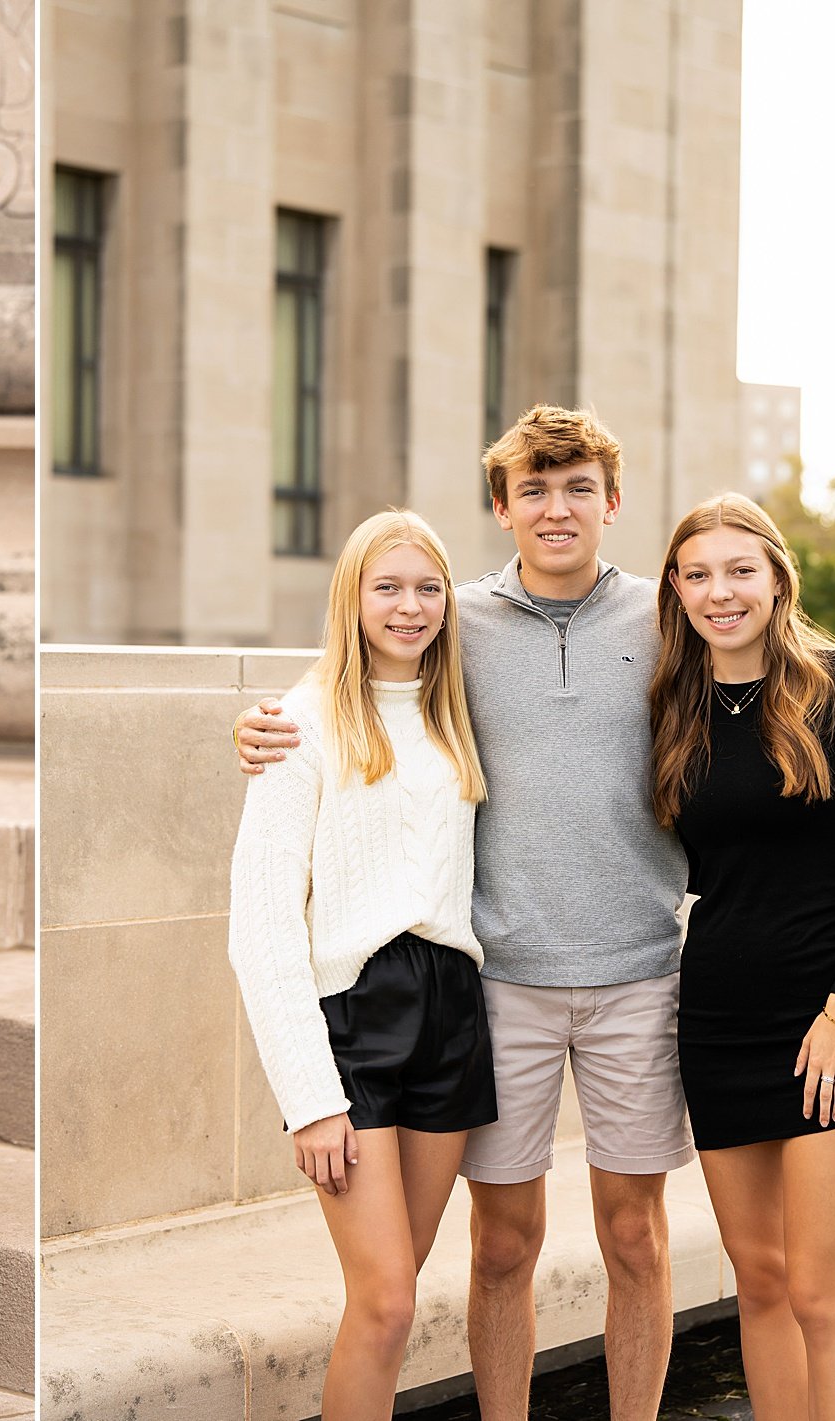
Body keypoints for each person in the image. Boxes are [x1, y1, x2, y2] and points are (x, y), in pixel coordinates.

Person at [231, 405, 835, 1420]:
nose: (558, 509)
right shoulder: (456, 618)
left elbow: (774, 654)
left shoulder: (667, 615)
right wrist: (260, 724)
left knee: (635, 1237)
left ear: (611, 501)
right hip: (496, 985)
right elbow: (359, 665)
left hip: (642, 974)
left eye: (579, 487)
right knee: (502, 1244)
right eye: (535, 490)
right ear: (501, 506)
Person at [229, 510, 496, 1420]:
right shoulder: (298, 725)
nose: (410, 606)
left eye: (429, 587)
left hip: (454, 1012)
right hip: (356, 1016)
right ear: (352, 596)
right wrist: (311, 1098)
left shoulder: (457, 713)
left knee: (396, 1295)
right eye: (388, 586)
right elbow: (260, 926)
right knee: (384, 1304)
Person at [652, 493, 835, 1421]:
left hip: (827, 1023)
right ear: (676, 589)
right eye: (698, 574)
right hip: (717, 1022)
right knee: (758, 1282)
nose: (720, 592)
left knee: (819, 1293)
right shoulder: (672, 706)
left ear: (775, 577)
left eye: (739, 570)